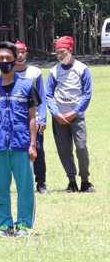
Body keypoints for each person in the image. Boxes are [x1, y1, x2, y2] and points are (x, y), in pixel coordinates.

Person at [0, 42, 39, 237]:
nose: (5, 61)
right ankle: (4, 225)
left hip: (21, 144)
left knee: (25, 187)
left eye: (8, 58)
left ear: (15, 59)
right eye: (1, 58)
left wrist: (32, 144)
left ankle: (22, 225)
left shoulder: (27, 86)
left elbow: (32, 117)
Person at [46, 36, 94, 193]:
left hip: (76, 117)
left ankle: (85, 181)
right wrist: (55, 113)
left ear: (70, 51)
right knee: (64, 149)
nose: (60, 55)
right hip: (59, 117)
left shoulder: (82, 69)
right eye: (57, 52)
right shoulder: (55, 71)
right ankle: (71, 181)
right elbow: (48, 95)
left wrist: (75, 112)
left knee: (81, 147)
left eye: (62, 52)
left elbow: (87, 94)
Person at [14, 40, 49, 194]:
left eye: (22, 52)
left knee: (38, 150)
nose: (19, 55)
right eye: (17, 52)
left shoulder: (35, 72)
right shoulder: (8, 72)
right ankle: (20, 184)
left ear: (26, 53)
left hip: (33, 119)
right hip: (16, 120)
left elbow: (42, 96)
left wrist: (42, 118)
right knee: (17, 152)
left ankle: (40, 182)